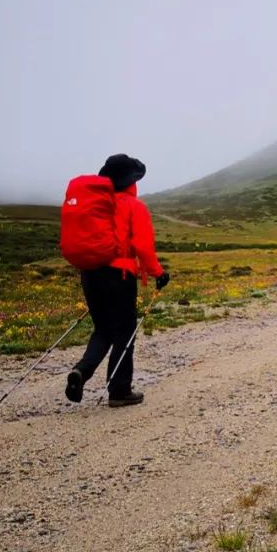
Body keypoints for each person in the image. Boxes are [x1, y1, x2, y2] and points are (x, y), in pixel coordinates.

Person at [65, 154, 169, 407]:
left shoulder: (97, 204)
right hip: (119, 276)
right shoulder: (134, 206)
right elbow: (143, 246)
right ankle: (119, 390)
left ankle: (82, 371)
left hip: (90, 274)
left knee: (103, 329)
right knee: (124, 330)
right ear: (131, 182)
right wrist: (159, 273)